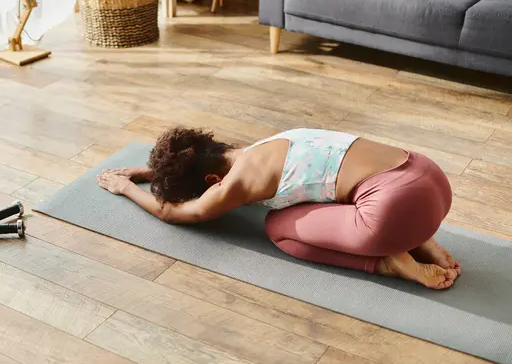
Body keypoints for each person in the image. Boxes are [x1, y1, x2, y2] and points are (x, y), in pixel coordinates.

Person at [98, 127, 460, 290]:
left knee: (278, 229)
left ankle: (390, 260)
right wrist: (149, 170)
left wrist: (126, 186)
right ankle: (422, 236)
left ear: (211, 182)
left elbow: (173, 213)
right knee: (345, 190)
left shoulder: (234, 184)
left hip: (393, 212)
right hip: (429, 178)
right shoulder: (273, 141)